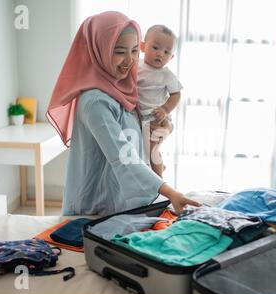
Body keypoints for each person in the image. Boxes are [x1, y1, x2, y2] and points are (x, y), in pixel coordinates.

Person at [46, 11, 200, 216]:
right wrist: (170, 192)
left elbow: (135, 141)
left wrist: (163, 130)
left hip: (119, 203)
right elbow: (124, 156)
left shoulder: (124, 90)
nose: (130, 61)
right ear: (97, 50)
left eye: (135, 50)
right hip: (95, 210)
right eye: (119, 51)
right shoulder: (95, 101)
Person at [137, 25, 181, 178]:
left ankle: (159, 183)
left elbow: (176, 94)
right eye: (155, 47)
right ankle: (159, 168)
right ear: (142, 46)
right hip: (141, 118)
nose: (160, 54)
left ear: (172, 57)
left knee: (153, 150)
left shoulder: (166, 75)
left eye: (167, 52)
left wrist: (165, 109)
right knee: (143, 152)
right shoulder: (136, 66)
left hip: (158, 118)